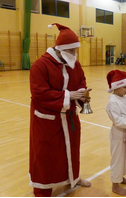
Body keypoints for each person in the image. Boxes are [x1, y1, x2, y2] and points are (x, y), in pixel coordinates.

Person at [29, 23, 91, 197]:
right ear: (60, 49)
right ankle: (42, 189)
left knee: (72, 150)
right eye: (71, 51)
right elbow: (40, 93)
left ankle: (74, 178)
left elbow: (81, 82)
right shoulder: (40, 66)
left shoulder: (75, 64)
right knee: (46, 157)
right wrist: (68, 96)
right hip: (47, 121)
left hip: (70, 118)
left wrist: (81, 96)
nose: (74, 54)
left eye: (75, 50)